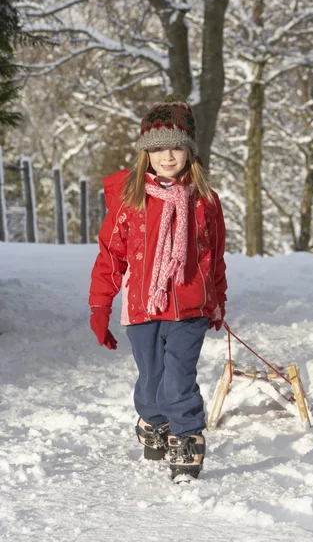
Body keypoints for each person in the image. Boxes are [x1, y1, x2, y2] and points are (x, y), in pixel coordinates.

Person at [89, 93, 228, 481]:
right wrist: (99, 307)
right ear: (145, 154)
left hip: (190, 309)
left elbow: (214, 256)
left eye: (176, 148)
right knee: (151, 383)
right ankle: (152, 421)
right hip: (143, 309)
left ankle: (187, 437)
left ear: (190, 150)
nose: (167, 157)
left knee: (178, 379)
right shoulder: (130, 200)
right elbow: (110, 256)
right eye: (158, 149)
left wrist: (217, 300)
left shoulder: (205, 201)